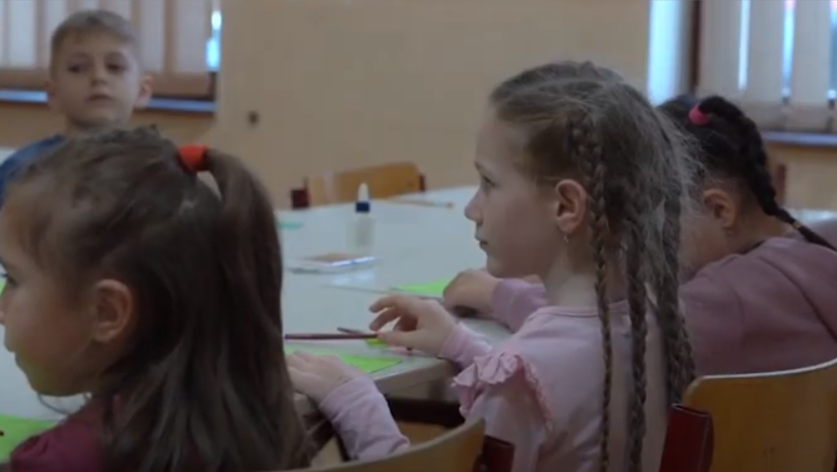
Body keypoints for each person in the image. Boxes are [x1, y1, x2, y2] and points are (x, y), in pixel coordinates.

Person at [288, 61, 698, 472]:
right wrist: (463, 346)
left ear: (566, 206)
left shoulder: (524, 380)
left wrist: (357, 404)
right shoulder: (656, 318)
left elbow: (535, 384)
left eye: (488, 183)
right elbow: (548, 386)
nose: (472, 209)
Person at [445, 94, 837, 376]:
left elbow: (598, 343)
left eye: (653, 216)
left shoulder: (730, 300)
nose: (637, 234)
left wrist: (498, 296)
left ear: (719, 210)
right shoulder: (809, 249)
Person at [0, 128, 310, 472]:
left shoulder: (58, 463)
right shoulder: (254, 414)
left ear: (106, 312)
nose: (0, 309)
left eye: (12, 279)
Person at [0, 9, 152, 201]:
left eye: (115, 67)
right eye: (78, 68)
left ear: (142, 91)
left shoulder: (157, 171)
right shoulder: (22, 172)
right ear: (53, 93)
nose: (98, 77)